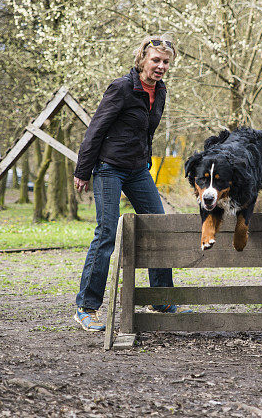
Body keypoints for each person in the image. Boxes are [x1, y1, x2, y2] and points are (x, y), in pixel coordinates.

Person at [72, 35, 187, 332]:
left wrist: (145, 161)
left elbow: (146, 134)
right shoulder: (121, 88)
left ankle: (160, 298)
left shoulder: (160, 91)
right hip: (109, 168)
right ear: (142, 59)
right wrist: (84, 170)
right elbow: (96, 129)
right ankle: (86, 306)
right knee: (107, 231)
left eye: (165, 62)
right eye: (155, 60)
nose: (160, 66)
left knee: (159, 227)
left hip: (137, 170)